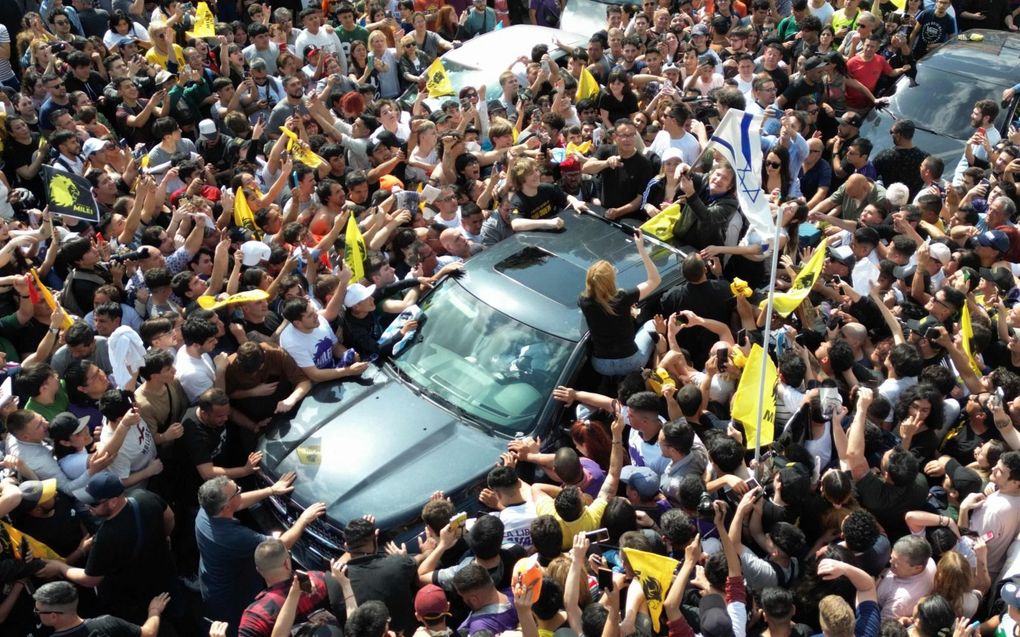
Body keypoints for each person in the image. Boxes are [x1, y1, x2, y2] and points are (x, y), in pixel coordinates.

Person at [578, 230, 660, 377]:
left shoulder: (584, 301)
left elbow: (604, 316)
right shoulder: (623, 298)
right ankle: (655, 372)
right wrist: (641, 248)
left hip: (600, 365)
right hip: (631, 363)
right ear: (611, 280)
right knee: (653, 325)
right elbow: (655, 280)